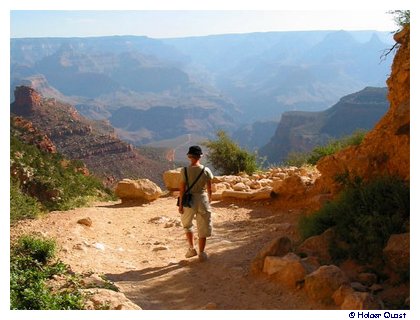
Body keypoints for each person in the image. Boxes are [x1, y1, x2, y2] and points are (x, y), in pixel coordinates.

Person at [178, 145, 214, 262]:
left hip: (189, 200)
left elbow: (182, 189)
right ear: (200, 156)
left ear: (189, 157)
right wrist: (209, 199)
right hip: (202, 199)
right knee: (203, 225)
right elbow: (209, 188)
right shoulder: (206, 170)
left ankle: (191, 248)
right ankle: (202, 253)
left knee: (187, 225)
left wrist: (181, 204)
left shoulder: (184, 171)